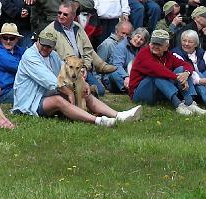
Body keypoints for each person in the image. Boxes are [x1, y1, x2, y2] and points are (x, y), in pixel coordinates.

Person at [12, 28, 142, 126]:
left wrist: (82, 82)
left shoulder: (53, 55)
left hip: (45, 96)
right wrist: (70, 93)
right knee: (58, 99)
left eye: (49, 46)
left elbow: (66, 68)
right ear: (38, 40)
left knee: (84, 91)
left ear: (54, 45)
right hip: (28, 104)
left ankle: (119, 115)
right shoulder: (30, 56)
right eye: (43, 44)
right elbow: (51, 82)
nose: (46, 48)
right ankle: (99, 121)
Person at [41, 0, 115, 96]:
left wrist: (85, 67)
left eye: (65, 14)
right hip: (64, 71)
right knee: (87, 90)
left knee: (100, 91)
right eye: (59, 13)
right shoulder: (50, 30)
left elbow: (88, 50)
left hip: (80, 68)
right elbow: (48, 57)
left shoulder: (78, 27)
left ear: (73, 16)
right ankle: (79, 90)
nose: (61, 16)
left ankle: (83, 89)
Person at [128, 29, 205, 116]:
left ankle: (190, 103)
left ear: (166, 46)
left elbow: (186, 64)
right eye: (154, 43)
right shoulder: (144, 53)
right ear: (149, 43)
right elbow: (157, 70)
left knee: (181, 69)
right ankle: (178, 105)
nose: (155, 46)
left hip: (158, 93)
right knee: (157, 75)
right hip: (139, 93)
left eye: (159, 44)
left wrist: (186, 74)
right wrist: (178, 78)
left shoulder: (168, 55)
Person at [0, 23, 26, 103]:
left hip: (17, 88)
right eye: (5, 38)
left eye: (12, 38)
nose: (8, 41)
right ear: (0, 38)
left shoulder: (18, 50)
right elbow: (22, 68)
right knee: (32, 94)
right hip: (4, 93)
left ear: (17, 39)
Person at [105, 27, 147, 94]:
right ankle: (131, 90)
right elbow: (117, 66)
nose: (138, 40)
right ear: (133, 35)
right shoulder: (121, 47)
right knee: (114, 73)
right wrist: (126, 77)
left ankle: (133, 89)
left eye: (142, 40)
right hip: (118, 78)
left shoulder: (141, 51)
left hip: (132, 77)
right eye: (138, 36)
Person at [172, 30, 206, 105]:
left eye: (190, 42)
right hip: (188, 82)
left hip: (203, 78)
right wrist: (199, 80)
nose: (186, 44)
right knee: (197, 73)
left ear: (196, 44)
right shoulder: (176, 53)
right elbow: (186, 70)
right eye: (184, 41)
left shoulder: (201, 52)